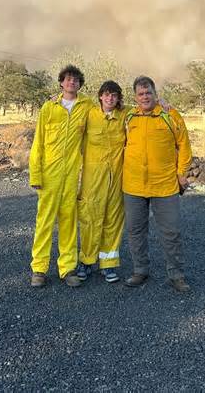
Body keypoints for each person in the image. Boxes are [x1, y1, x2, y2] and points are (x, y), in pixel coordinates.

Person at [123, 75, 192, 293]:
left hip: (164, 185)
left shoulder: (170, 115)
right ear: (135, 97)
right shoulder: (128, 116)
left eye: (148, 93)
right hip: (133, 185)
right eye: (141, 94)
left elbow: (184, 145)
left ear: (155, 94)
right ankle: (140, 270)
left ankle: (176, 274)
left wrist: (182, 174)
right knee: (135, 231)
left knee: (170, 231)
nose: (145, 97)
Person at [29, 65, 94, 288]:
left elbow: (110, 109)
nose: (71, 83)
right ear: (61, 83)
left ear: (80, 84)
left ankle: (67, 269)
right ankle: (39, 268)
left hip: (72, 175)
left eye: (76, 80)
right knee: (44, 221)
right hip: (49, 174)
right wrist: (35, 174)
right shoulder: (49, 108)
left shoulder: (87, 107)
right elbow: (38, 143)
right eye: (67, 79)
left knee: (69, 222)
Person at [76, 81, 126, 284]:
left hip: (116, 178)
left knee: (113, 220)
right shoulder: (89, 113)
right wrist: (57, 97)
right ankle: (86, 260)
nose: (110, 99)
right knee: (89, 218)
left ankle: (108, 263)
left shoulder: (125, 114)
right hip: (93, 178)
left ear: (118, 98)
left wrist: (163, 103)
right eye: (106, 95)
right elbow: (71, 106)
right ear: (100, 97)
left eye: (114, 95)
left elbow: (146, 105)